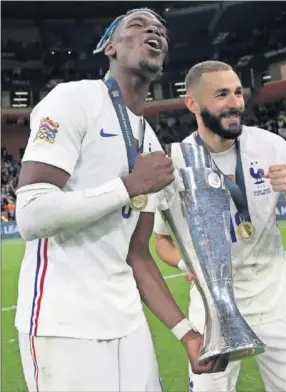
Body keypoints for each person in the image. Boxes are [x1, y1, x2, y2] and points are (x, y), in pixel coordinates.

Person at [14, 9, 214, 392]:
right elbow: (32, 215)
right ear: (110, 47)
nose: (153, 32)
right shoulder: (73, 100)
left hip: (128, 325)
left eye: (160, 30)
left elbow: (137, 254)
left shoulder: (151, 142)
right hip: (64, 325)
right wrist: (129, 185)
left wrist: (187, 334)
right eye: (137, 26)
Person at [154, 61, 286, 392]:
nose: (235, 103)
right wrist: (185, 264)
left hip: (277, 302)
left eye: (237, 92)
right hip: (212, 310)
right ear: (192, 103)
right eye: (221, 94)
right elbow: (161, 242)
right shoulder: (175, 164)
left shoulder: (270, 146)